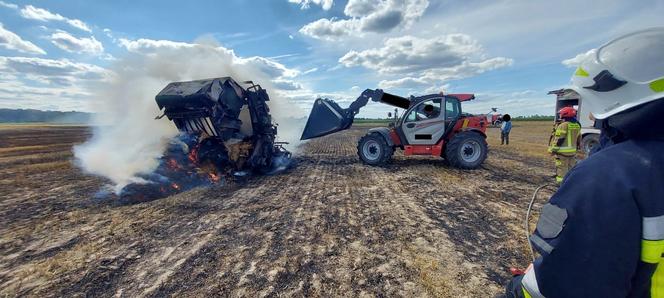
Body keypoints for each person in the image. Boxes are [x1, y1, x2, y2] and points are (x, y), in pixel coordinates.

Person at [505, 27, 664, 297]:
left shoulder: (608, 177)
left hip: (565, 159)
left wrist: (516, 289)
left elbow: (568, 280)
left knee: (562, 173)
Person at [547, 107, 581, 183]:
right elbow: (579, 138)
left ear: (564, 114)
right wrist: (578, 148)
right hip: (572, 152)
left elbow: (559, 139)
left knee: (562, 168)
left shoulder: (563, 125)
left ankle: (561, 184)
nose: (560, 115)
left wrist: (553, 150)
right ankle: (571, 182)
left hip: (562, 153)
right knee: (571, 168)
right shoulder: (577, 125)